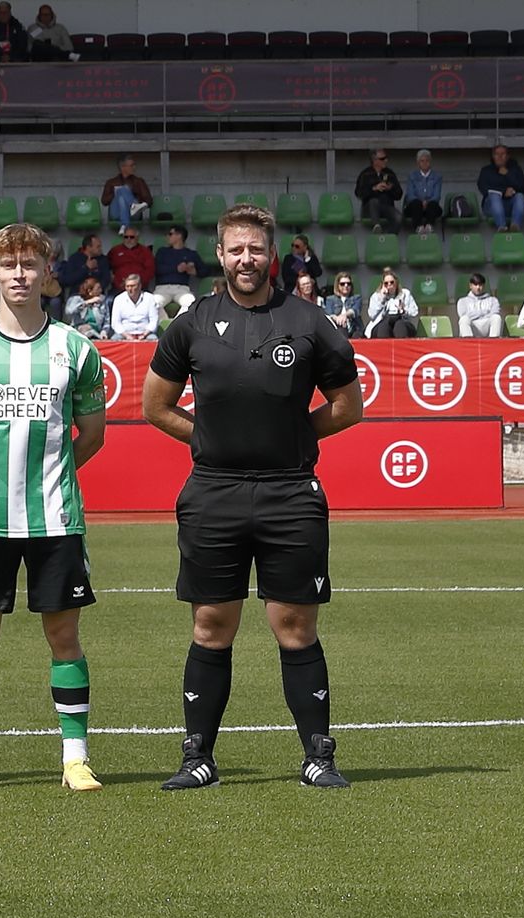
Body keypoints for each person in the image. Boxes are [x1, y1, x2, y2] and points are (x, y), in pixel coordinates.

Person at [141, 202, 361, 792]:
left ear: (273, 253)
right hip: (214, 492)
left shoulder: (312, 321)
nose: (246, 259)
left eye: (256, 249)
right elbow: (155, 407)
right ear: (220, 254)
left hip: (291, 492)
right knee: (212, 625)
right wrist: (210, 438)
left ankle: (318, 755)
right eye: (236, 249)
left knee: (295, 625)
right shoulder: (190, 324)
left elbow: (347, 407)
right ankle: (198, 757)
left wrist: (291, 438)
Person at [0, 222, 107, 795]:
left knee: (64, 637)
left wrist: (48, 476)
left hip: (56, 519)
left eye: (31, 265)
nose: (20, 275)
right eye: (9, 266)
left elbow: (92, 435)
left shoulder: (76, 349)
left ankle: (75, 757)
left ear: (48, 274)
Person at [152, 225, 202, 315]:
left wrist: (194, 271)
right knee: (154, 303)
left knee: (190, 302)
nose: (167, 236)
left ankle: (177, 325)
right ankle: (166, 327)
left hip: (181, 288)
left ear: (179, 235)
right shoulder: (162, 251)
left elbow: (205, 270)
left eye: (170, 234)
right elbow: (157, 269)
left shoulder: (191, 254)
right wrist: (176, 268)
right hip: (163, 288)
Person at [478, 144, 524, 232]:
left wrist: (508, 174)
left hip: (510, 206)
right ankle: (502, 227)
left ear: (508, 156)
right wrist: (503, 192)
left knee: (520, 196)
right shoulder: (486, 170)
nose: (500, 157)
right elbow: (484, 189)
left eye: (503, 154)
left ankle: (515, 225)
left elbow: (523, 187)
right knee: (494, 196)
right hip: (491, 207)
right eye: (496, 154)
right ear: (493, 156)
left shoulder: (515, 169)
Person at [102, 154, 153, 235]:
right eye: (131, 165)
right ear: (123, 167)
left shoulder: (138, 181)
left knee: (122, 195)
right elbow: (104, 201)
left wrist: (134, 193)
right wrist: (115, 194)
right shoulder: (111, 182)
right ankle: (133, 205)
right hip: (116, 213)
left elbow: (149, 201)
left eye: (134, 165)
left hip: (134, 214)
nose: (134, 167)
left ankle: (124, 225)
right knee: (121, 192)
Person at [354, 148, 402, 233]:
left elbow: (399, 195)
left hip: (386, 206)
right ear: (374, 160)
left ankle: (388, 238)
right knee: (374, 201)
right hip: (369, 209)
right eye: (382, 159)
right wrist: (374, 189)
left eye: (386, 158)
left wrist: (390, 189)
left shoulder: (390, 174)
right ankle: (376, 226)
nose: (386, 160)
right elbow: (359, 193)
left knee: (398, 218)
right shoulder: (365, 174)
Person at [365, 268, 420, 338]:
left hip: (402, 322)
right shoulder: (376, 296)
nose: (389, 285)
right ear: (382, 285)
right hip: (382, 323)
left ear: (396, 283)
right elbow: (372, 315)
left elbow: (414, 312)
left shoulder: (405, 294)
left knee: (399, 325)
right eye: (386, 283)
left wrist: (404, 310)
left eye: (392, 282)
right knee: (384, 327)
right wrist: (382, 299)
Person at [55, 233, 109, 297]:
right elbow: (68, 280)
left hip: (97, 295)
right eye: (98, 246)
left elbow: (106, 278)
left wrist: (98, 287)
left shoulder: (103, 259)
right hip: (77, 294)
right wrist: (86, 268)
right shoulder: (74, 259)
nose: (100, 249)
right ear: (88, 247)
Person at [403, 149, 443, 235]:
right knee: (416, 203)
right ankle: (418, 227)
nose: (425, 163)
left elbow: (437, 195)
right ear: (418, 163)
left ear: (430, 162)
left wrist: (427, 202)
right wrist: (422, 203)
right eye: (422, 161)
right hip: (415, 206)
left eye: (427, 160)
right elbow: (410, 195)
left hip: (431, 206)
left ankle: (429, 226)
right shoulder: (412, 176)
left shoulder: (437, 176)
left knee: (433, 204)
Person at [109, 273, 158, 340]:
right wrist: (126, 335)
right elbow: (115, 323)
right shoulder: (118, 299)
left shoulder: (149, 298)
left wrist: (144, 334)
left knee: (153, 339)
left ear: (140, 286)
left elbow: (154, 321)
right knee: (114, 339)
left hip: (145, 333)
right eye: (127, 286)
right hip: (124, 334)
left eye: (132, 286)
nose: (130, 289)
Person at [106, 226, 152, 293]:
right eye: (126, 237)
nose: (128, 239)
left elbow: (150, 270)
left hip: (139, 287)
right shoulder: (115, 251)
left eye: (132, 237)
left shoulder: (145, 251)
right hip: (118, 287)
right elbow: (106, 267)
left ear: (137, 238)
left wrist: (136, 283)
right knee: (109, 301)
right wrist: (115, 280)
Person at [456, 274, 503, 338]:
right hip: (473, 326)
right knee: (464, 319)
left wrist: (474, 314)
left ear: (484, 286)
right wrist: (485, 312)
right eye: (475, 285)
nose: (478, 287)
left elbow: (495, 313)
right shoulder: (462, 301)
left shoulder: (493, 300)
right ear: (470, 286)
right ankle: (469, 344)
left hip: (486, 326)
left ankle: (493, 343)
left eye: (480, 285)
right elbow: (464, 315)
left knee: (496, 317)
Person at [323, 273, 363, 338]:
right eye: (342, 284)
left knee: (358, 336)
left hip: (354, 328)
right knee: (341, 331)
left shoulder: (357, 298)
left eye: (348, 284)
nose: (346, 286)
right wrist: (338, 319)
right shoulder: (330, 299)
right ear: (337, 285)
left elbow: (355, 310)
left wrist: (344, 315)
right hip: (338, 328)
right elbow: (329, 314)